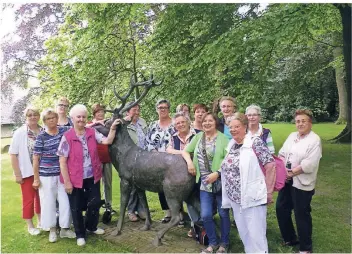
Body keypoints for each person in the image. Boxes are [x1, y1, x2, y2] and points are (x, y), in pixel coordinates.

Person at [57, 104, 120, 246]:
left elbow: (107, 141)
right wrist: (67, 182)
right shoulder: (67, 137)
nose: (81, 119)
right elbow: (62, 161)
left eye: (84, 116)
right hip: (74, 178)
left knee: (95, 202)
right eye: (78, 116)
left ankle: (91, 227)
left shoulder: (92, 132)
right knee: (76, 206)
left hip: (92, 176)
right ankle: (80, 234)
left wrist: (113, 128)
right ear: (72, 118)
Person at [221, 113, 276, 253]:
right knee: (244, 233)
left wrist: (269, 192)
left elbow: (270, 165)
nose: (233, 130)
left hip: (253, 197)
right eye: (230, 127)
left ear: (245, 126)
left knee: (256, 234)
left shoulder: (254, 142)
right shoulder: (232, 144)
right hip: (235, 199)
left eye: (236, 126)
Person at [182, 113, 230, 254]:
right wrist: (190, 162)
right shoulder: (198, 137)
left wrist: (217, 173)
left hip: (220, 182)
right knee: (206, 215)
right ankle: (213, 242)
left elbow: (230, 159)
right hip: (204, 184)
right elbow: (186, 151)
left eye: (210, 121)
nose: (207, 123)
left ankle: (225, 243)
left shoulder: (224, 139)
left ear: (215, 123)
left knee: (223, 213)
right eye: (204, 121)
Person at [276, 109, 322, 254]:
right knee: (281, 208)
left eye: (303, 121)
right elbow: (282, 153)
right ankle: (290, 238)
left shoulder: (314, 140)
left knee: (301, 214)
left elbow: (310, 164)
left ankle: (305, 248)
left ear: (310, 123)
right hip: (287, 180)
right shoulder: (292, 136)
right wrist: (285, 172)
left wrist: (291, 173)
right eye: (297, 121)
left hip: (302, 182)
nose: (300, 124)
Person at [32, 109, 75, 243]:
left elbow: (80, 126)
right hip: (46, 175)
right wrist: (36, 178)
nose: (51, 120)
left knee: (65, 201)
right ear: (44, 122)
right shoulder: (41, 137)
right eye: (48, 119)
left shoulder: (64, 131)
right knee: (48, 202)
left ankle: (64, 229)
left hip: (63, 173)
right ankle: (52, 230)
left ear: (57, 119)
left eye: (53, 118)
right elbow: (35, 158)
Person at [8, 106, 42, 236]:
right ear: (26, 117)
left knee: (41, 198)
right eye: (30, 115)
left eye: (35, 114)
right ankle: (30, 225)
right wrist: (17, 174)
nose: (33, 117)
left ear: (38, 116)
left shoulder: (42, 130)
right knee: (28, 199)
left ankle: (40, 221)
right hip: (27, 172)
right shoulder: (20, 132)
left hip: (42, 171)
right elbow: (12, 154)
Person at [145, 99, 176, 222]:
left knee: (174, 187)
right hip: (157, 162)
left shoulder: (174, 124)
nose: (162, 110)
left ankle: (178, 212)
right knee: (161, 187)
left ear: (169, 109)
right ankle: (168, 213)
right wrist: (154, 153)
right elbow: (147, 142)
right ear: (156, 109)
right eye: (160, 107)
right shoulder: (153, 125)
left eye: (165, 107)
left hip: (173, 161)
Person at [166, 112, 198, 228]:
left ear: (188, 122)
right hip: (180, 172)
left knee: (196, 197)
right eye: (177, 123)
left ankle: (199, 222)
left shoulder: (197, 134)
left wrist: (185, 155)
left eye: (182, 122)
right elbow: (168, 150)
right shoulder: (174, 137)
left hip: (197, 170)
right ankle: (191, 222)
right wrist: (184, 153)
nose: (180, 125)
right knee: (185, 196)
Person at [88, 103, 114, 216]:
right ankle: (96, 206)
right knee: (95, 185)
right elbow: (83, 127)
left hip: (107, 158)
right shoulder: (90, 125)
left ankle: (108, 206)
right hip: (95, 160)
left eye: (102, 111)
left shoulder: (107, 125)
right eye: (98, 112)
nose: (101, 113)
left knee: (108, 183)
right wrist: (95, 123)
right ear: (94, 113)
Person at [125, 102, 148, 222]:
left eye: (138, 110)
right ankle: (131, 210)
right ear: (128, 112)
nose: (137, 112)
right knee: (133, 185)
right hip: (131, 159)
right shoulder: (124, 124)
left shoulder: (142, 122)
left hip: (143, 158)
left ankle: (141, 209)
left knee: (141, 184)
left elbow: (147, 137)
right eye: (134, 110)